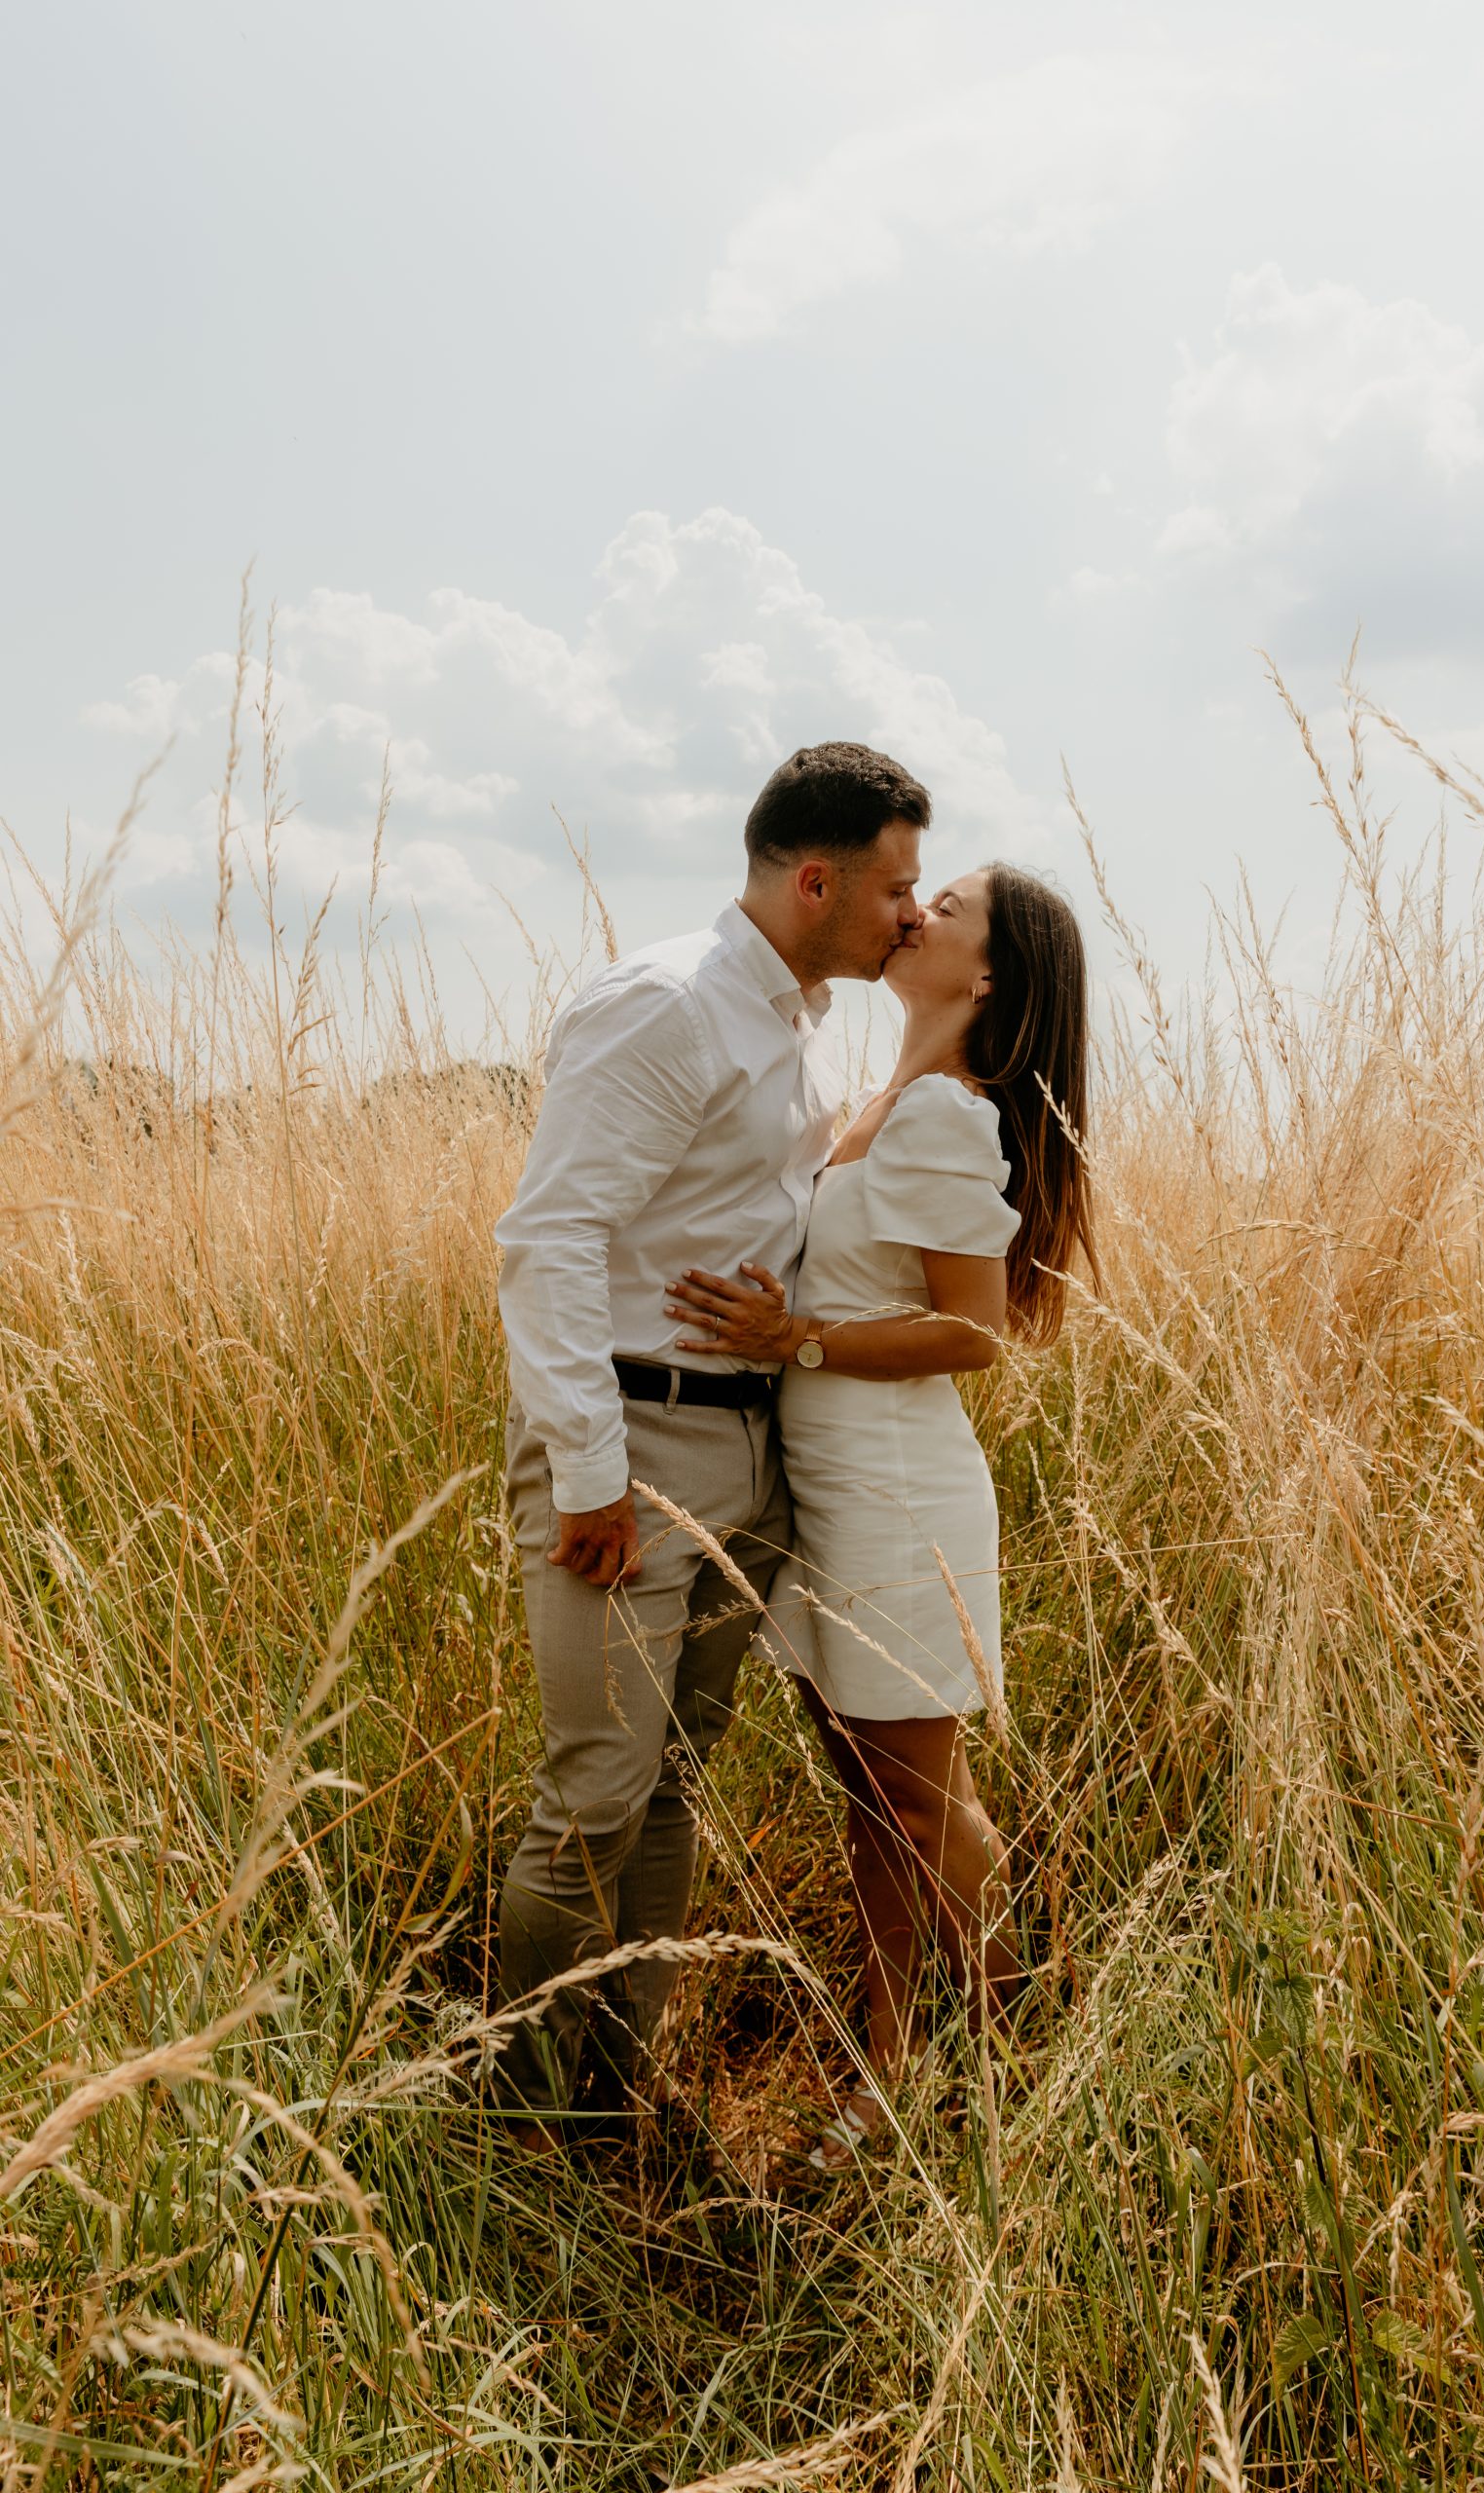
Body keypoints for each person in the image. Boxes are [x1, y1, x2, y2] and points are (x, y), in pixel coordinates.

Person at [490, 740, 930, 2139]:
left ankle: (616, 2089)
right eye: (896, 889)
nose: (911, 915)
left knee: (673, 1785)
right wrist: (592, 1473)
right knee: (593, 1800)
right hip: (630, 1441)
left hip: (742, 1447)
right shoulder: (668, 1005)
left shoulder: (792, 1022)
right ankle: (520, 2116)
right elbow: (548, 1235)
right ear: (816, 881)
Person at [666, 863, 1096, 2169]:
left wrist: (796, 1336)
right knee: (868, 1790)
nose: (916, 912)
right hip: (833, 1486)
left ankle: (994, 2056)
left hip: (898, 1493)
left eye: (947, 907)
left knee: (915, 1803)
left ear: (986, 980)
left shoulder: (946, 1120)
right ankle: (893, 2062)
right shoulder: (878, 1104)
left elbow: (973, 1334)